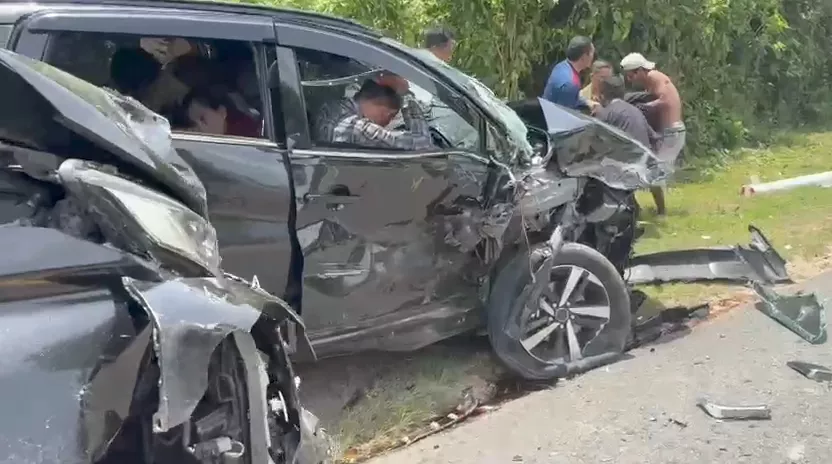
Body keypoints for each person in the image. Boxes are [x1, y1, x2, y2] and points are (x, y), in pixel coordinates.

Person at [620, 52, 684, 216]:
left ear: (640, 70)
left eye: (631, 76)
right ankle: (647, 209)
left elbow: (665, 100)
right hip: (664, 132)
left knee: (654, 172)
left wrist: (643, 108)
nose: (630, 80)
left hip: (671, 132)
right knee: (650, 169)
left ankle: (661, 212)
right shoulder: (650, 82)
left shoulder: (654, 76)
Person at [331, 79, 434, 150]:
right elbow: (423, 143)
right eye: (391, 115)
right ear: (382, 107)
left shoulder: (336, 106)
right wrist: (407, 97)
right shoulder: (359, 128)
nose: (388, 122)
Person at [596, 75, 659, 150]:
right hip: (645, 157)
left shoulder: (606, 113)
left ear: (602, 96)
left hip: (625, 159)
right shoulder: (636, 111)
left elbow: (597, 143)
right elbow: (654, 136)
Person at [174, 88, 262, 138]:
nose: (198, 127)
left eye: (202, 119)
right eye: (193, 124)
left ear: (222, 112)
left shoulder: (249, 137)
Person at [542, 36, 597, 112]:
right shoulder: (570, 83)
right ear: (583, 57)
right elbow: (565, 116)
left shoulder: (561, 66)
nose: (593, 57)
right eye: (592, 54)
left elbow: (573, 97)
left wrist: (587, 102)